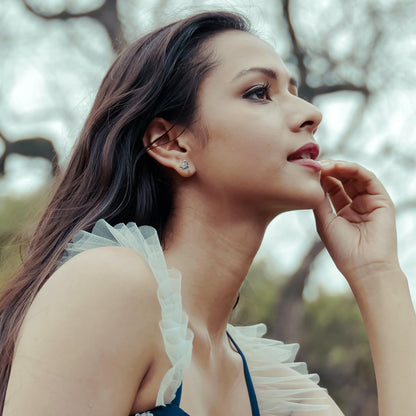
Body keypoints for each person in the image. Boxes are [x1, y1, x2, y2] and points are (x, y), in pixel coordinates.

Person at [0, 10, 415, 416]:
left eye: (293, 90)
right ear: (172, 144)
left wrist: (378, 276)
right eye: (259, 92)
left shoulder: (276, 391)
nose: (311, 113)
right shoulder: (109, 285)